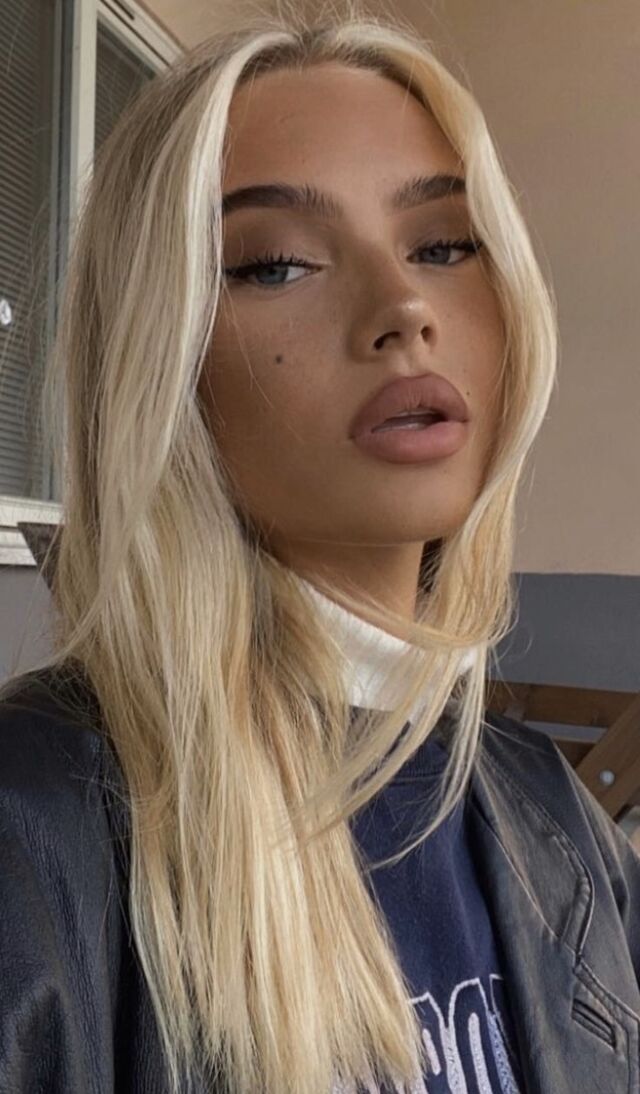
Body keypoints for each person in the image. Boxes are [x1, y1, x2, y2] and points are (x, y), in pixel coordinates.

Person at [0, 3, 638, 1092]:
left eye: (444, 245)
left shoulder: (553, 812)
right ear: (161, 351)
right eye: (277, 264)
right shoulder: (32, 827)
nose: (403, 306)